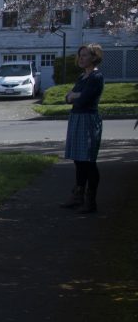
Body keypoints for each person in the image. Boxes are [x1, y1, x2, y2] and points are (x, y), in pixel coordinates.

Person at [61, 44, 105, 214]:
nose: (81, 58)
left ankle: (90, 201)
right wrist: (74, 96)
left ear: (94, 57)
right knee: (78, 160)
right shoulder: (82, 77)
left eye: (85, 55)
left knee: (88, 161)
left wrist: (76, 96)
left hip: (88, 119)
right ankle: (77, 196)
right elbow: (67, 97)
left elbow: (84, 99)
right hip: (76, 118)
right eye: (80, 55)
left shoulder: (96, 77)